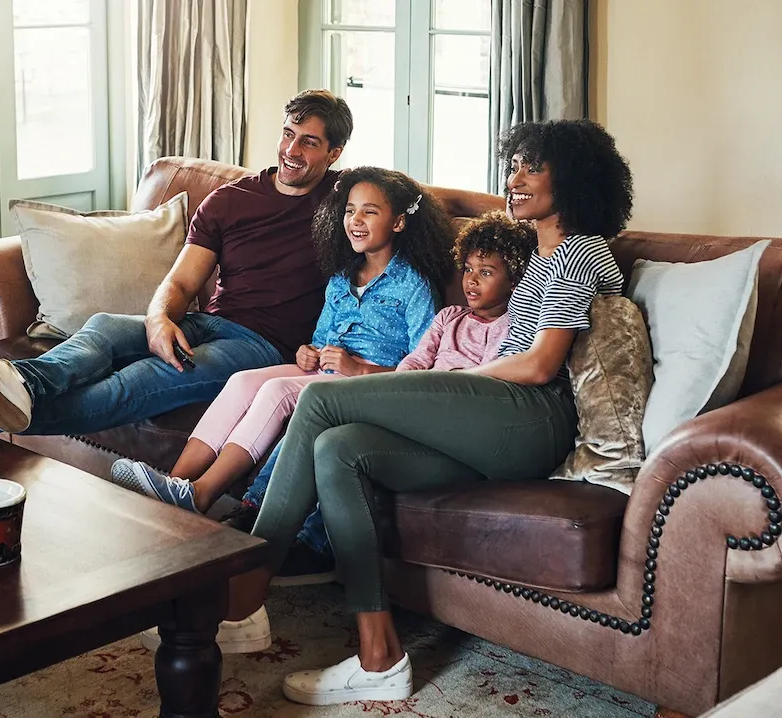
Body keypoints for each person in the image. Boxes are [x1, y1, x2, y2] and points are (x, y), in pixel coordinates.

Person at [222, 119, 634, 705]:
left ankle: (242, 594)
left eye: (530, 168)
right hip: (493, 418)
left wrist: (450, 381)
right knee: (337, 449)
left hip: (530, 419)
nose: (512, 180)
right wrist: (452, 384)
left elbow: (541, 366)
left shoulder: (578, 253)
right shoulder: (539, 258)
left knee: (319, 397)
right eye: (512, 165)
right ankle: (379, 657)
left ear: (573, 180)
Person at [0, 89, 354, 435]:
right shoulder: (231, 201)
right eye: (287, 134)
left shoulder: (348, 204)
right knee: (103, 326)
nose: (291, 150)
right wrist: (159, 321)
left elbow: (402, 218)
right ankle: (22, 381)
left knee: (137, 382)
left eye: (308, 142)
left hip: (264, 348)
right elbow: (182, 284)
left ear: (334, 153)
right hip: (208, 322)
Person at [105, 167, 455, 519]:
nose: (356, 220)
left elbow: (423, 372)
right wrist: (309, 353)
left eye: (370, 211)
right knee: (242, 381)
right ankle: (173, 483)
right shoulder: (340, 278)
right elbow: (319, 343)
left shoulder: (414, 285)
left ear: (398, 223)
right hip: (326, 374)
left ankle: (202, 493)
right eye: (350, 210)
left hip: (370, 385)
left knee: (278, 391)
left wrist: (360, 367)